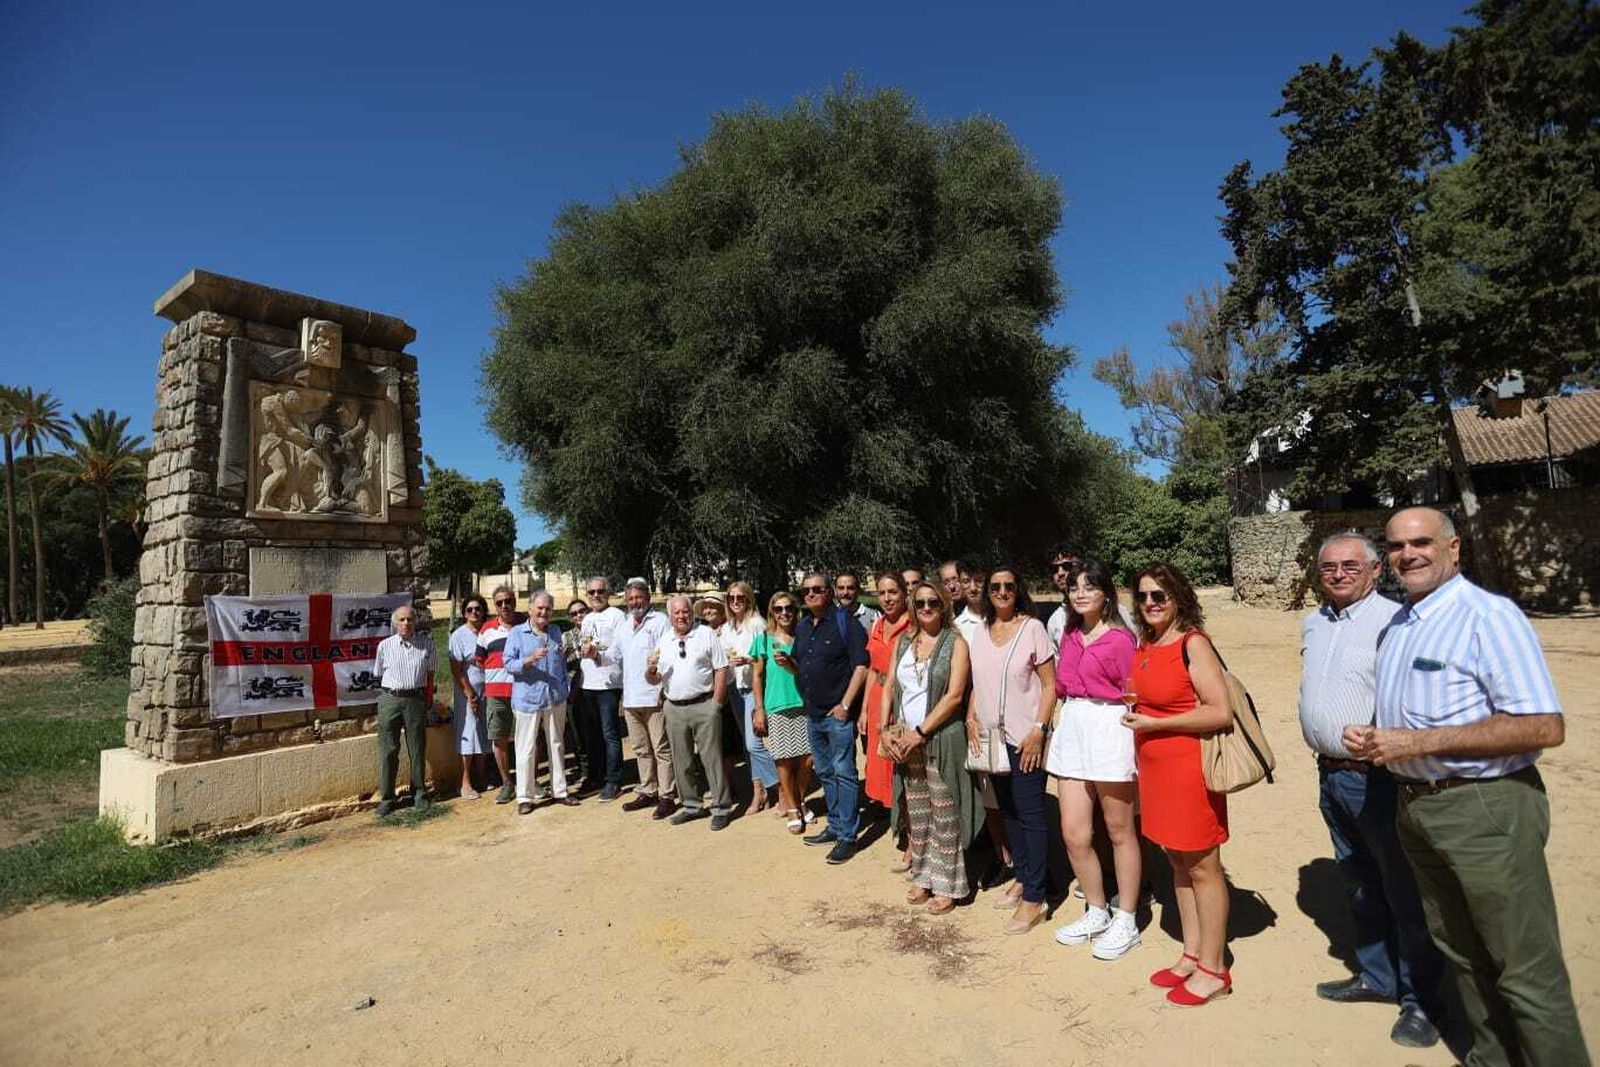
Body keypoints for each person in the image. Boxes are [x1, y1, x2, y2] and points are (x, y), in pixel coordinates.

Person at [1345, 507, 1588, 1065]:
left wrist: (1415, 743)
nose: (1409, 554)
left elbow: (1543, 725)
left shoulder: (1487, 616)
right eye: (1398, 546)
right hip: (1417, 808)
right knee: (1462, 953)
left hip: (1484, 807)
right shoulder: (1403, 622)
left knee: (1524, 968)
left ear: (1455, 548)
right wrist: (1378, 737)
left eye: (1422, 542)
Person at [1298, 531, 1445, 1048]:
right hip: (1330, 774)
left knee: (1402, 889)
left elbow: (1416, 694)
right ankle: (1377, 977)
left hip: (1378, 778)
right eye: (1329, 567)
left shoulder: (1395, 620)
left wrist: (1384, 733)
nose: (1338, 574)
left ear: (1375, 570)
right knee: (1358, 882)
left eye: (1349, 566)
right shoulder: (1313, 623)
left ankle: (1421, 1002)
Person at [1122, 562, 1234, 1006]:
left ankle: (1215, 968)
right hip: (1156, 772)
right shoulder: (1147, 645)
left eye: (1160, 596)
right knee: (1178, 864)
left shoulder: (1194, 644)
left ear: (1179, 598)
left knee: (1204, 867)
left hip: (1189, 771)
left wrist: (1156, 721)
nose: (1151, 603)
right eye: (1144, 596)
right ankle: (1192, 953)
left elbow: (1218, 711)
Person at [1048, 561, 1142, 961]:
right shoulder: (1069, 633)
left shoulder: (1121, 639)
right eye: (1074, 588)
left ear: (1106, 593)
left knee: (1119, 829)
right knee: (1074, 832)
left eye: (1089, 586)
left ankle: (1127, 918)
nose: (1080, 593)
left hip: (1108, 727)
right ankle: (1097, 909)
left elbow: (1133, 690)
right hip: (1073, 724)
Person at [881, 581, 982, 914]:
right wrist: (884, 730)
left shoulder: (956, 643)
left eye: (933, 603)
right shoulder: (904, 642)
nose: (926, 608)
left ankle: (949, 885)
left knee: (946, 813)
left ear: (944, 606)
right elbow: (889, 688)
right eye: (920, 603)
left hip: (939, 739)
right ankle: (923, 876)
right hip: (904, 739)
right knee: (919, 814)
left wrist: (921, 732)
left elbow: (954, 696)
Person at [967, 563, 1056, 935]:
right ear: (987, 593)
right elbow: (978, 681)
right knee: (1010, 813)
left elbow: (1050, 685)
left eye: (1008, 586)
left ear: (1018, 590)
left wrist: (1039, 728)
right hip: (991, 739)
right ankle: (1023, 877)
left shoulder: (1032, 629)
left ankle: (1036, 897)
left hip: (1025, 739)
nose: (1002, 592)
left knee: (1032, 814)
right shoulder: (982, 632)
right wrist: (971, 715)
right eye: (995, 587)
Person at [790, 571, 869, 865]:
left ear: (829, 592)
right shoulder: (803, 627)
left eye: (817, 589)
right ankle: (834, 826)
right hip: (813, 713)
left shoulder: (845, 624)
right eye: (806, 590)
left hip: (837, 714)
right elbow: (801, 666)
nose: (811, 594)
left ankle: (848, 836)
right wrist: (789, 665)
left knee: (845, 773)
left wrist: (846, 705)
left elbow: (861, 667)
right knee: (825, 772)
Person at [647, 595, 732, 830]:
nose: (682, 616)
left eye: (685, 612)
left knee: (711, 759)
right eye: (677, 613)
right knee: (681, 760)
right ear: (670, 616)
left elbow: (721, 668)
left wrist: (717, 703)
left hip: (704, 704)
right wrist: (651, 670)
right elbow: (653, 678)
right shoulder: (664, 641)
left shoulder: (705, 634)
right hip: (674, 707)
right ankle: (692, 806)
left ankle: (721, 807)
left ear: (691, 613)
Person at [603, 578, 676, 819]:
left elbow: (667, 655)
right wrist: (596, 654)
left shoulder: (660, 622)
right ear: (626, 601)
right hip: (631, 697)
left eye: (639, 597)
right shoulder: (624, 625)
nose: (635, 602)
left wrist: (663, 691)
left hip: (654, 696)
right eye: (630, 598)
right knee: (641, 748)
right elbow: (613, 654)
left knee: (661, 748)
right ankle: (648, 789)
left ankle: (667, 795)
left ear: (647, 598)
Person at [502, 592, 577, 815]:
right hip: (528, 699)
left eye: (548, 609)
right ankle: (525, 796)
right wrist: (528, 660)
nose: (544, 612)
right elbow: (507, 663)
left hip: (554, 697)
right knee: (525, 748)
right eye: (540, 608)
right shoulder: (517, 633)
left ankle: (560, 791)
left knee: (556, 744)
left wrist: (566, 686)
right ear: (530, 610)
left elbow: (561, 661)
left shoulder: (555, 632)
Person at [750, 589, 813, 833]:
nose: (784, 613)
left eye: (788, 608)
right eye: (779, 609)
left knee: (808, 760)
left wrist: (793, 666)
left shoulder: (805, 636)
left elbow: (808, 671)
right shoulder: (763, 640)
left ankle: (799, 799)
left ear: (795, 611)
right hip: (776, 706)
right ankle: (794, 809)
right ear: (772, 613)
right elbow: (756, 676)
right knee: (784, 761)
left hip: (805, 704)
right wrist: (759, 709)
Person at [372, 603, 435, 817]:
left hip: (415, 700)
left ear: (416, 622)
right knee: (388, 750)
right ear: (395, 623)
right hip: (390, 699)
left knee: (417, 749)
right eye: (402, 619)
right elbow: (379, 674)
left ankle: (419, 793)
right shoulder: (385, 646)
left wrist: (428, 699)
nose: (406, 623)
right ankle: (388, 798)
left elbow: (430, 675)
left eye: (410, 619)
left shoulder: (426, 644)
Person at [723, 581, 776, 815]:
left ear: (748, 600)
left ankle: (780, 785)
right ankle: (759, 791)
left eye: (740, 598)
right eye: (731, 598)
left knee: (754, 743)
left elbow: (765, 658)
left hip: (753, 688)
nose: (735, 602)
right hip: (735, 687)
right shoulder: (728, 627)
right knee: (749, 746)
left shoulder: (756, 624)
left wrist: (748, 660)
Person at [864, 572, 912, 832]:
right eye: (881, 593)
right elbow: (872, 668)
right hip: (876, 700)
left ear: (904, 593)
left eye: (892, 592)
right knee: (882, 764)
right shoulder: (877, 624)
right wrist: (862, 709)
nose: (886, 598)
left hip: (901, 701)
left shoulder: (913, 624)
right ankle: (898, 819)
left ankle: (910, 825)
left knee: (903, 764)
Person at [576, 577, 626, 802]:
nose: (595, 595)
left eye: (600, 591)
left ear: (609, 593)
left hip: (608, 683)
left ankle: (614, 780)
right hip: (589, 683)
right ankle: (596, 776)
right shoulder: (587, 619)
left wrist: (598, 654)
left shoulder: (616, 616)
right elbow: (582, 645)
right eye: (591, 592)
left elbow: (619, 648)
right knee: (592, 735)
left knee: (610, 733)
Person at [476, 584, 520, 804]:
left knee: (530, 738)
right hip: (496, 692)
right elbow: (480, 659)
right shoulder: (486, 629)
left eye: (508, 601)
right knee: (499, 738)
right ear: (495, 606)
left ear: (515, 601)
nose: (505, 605)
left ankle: (532, 782)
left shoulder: (525, 624)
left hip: (523, 692)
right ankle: (507, 784)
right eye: (500, 602)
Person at [448, 594, 492, 799]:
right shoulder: (458, 636)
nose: (474, 612)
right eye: (469, 609)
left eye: (478, 609)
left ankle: (482, 776)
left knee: (485, 731)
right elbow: (456, 668)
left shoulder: (488, 631)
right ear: (464, 613)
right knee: (469, 732)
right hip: (468, 691)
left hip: (489, 690)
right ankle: (465, 782)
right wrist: (468, 692)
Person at [1042, 542, 1086, 647]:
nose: (1060, 573)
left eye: (1067, 566)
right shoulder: (1055, 622)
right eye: (1054, 569)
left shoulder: (1111, 612)